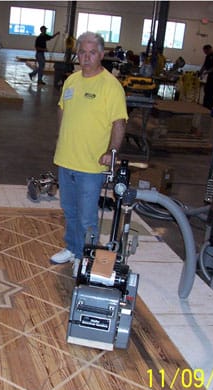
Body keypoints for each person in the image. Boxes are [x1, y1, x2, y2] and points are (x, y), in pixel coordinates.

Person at [51, 32, 128, 274]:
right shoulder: (72, 81)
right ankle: (73, 250)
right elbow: (63, 109)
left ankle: (86, 260)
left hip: (91, 165)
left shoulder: (111, 86)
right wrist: (62, 136)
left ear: (101, 55)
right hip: (66, 159)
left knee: (87, 219)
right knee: (70, 211)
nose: (86, 57)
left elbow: (119, 123)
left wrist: (112, 152)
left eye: (91, 52)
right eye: (82, 52)